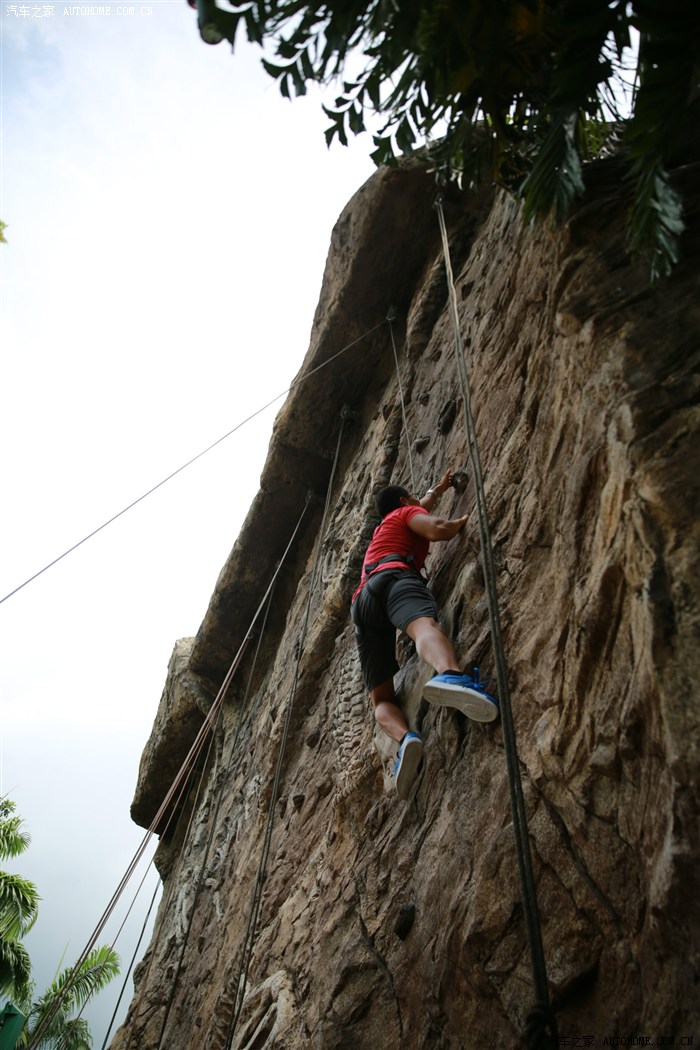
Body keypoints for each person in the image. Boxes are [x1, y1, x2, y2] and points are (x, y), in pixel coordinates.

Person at [351, 469, 499, 799]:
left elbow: (422, 503)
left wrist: (439, 489)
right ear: (405, 501)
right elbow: (434, 528)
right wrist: (460, 522)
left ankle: (406, 740)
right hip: (395, 578)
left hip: (362, 604)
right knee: (423, 627)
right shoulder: (405, 513)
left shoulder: (382, 529)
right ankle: (451, 676)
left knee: (381, 699)